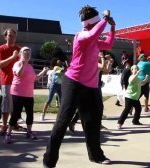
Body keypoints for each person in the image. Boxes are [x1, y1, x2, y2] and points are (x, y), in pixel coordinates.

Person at [43, 6, 115, 167]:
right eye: (96, 23)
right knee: (63, 121)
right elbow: (92, 33)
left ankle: (96, 156)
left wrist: (113, 27)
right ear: (90, 23)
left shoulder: (95, 40)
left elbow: (109, 44)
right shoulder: (81, 36)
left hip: (90, 86)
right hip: (73, 82)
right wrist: (104, 19)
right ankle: (49, 160)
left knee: (93, 122)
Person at [4, 46, 48, 144]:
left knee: (30, 114)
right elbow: (18, 74)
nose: (27, 54)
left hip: (28, 95)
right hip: (17, 93)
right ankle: (8, 134)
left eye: (29, 53)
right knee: (16, 114)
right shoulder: (17, 64)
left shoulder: (30, 67)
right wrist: (23, 65)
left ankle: (29, 132)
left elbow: (35, 78)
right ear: (20, 54)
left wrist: (43, 71)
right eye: (25, 52)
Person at [0, 28, 20, 136]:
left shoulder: (19, 49)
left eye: (13, 36)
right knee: (5, 105)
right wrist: (13, 57)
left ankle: (13, 123)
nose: (12, 37)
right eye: (9, 35)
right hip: (6, 81)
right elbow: (0, 64)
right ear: (5, 37)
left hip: (17, 82)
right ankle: (4, 125)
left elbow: (23, 64)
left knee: (15, 105)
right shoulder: (1, 49)